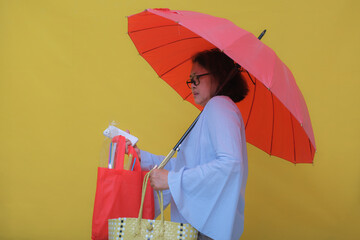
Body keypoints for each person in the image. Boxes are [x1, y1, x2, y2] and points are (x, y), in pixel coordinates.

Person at [126, 48, 249, 240]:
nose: (192, 85)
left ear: (218, 75)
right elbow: (189, 166)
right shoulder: (213, 111)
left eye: (197, 78)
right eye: (191, 79)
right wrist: (143, 157)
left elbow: (230, 165)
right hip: (204, 227)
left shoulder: (219, 106)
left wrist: (171, 180)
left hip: (206, 229)